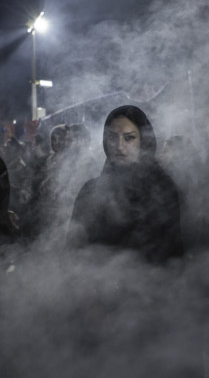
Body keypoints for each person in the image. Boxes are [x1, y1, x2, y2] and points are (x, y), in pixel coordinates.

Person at [69, 105, 183, 262]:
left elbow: (172, 252)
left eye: (129, 138)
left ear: (143, 141)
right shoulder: (90, 190)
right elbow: (73, 248)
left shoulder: (162, 189)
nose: (119, 146)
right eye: (112, 137)